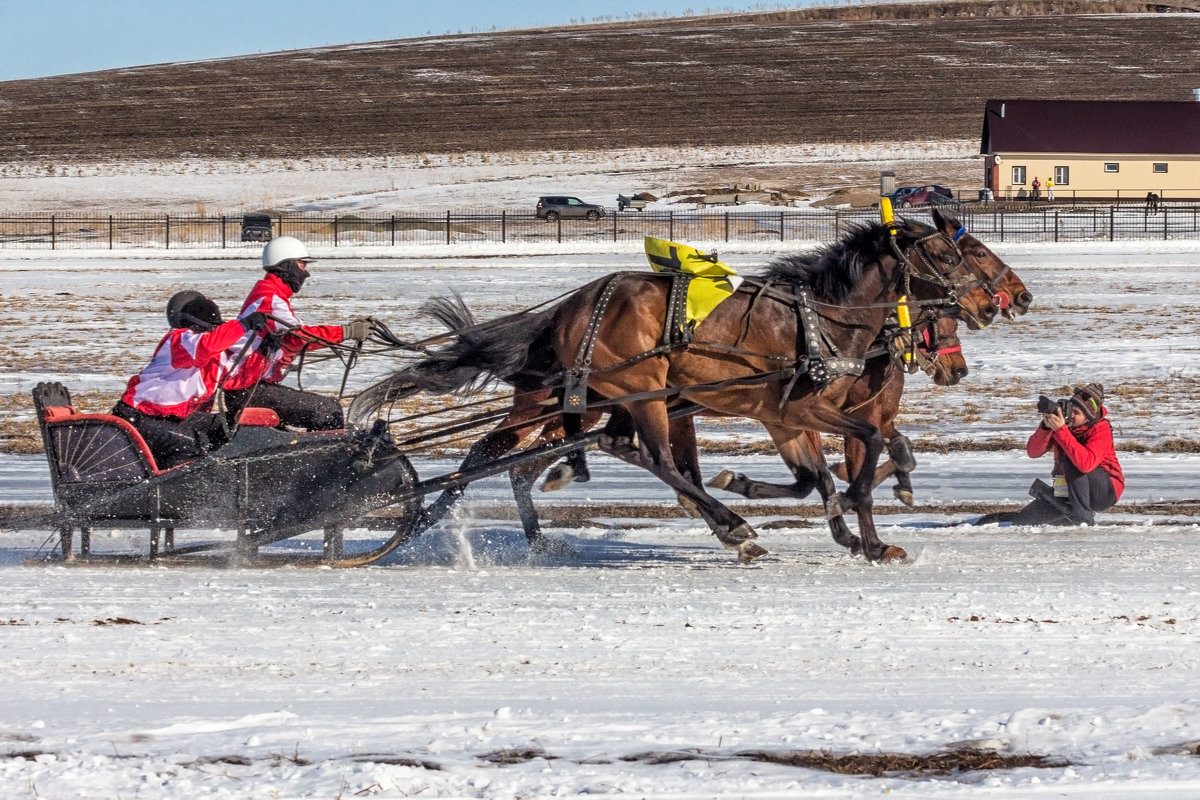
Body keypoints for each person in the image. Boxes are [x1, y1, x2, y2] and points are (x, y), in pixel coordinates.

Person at [222, 236, 372, 431]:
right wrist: (347, 332)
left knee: (323, 408)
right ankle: (328, 459)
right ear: (287, 266)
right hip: (248, 391)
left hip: (250, 387)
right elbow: (298, 337)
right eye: (302, 265)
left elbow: (288, 340)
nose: (306, 273)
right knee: (327, 410)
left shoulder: (269, 293)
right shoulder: (270, 299)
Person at [113, 291, 268, 469]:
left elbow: (239, 379)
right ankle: (177, 490)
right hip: (139, 418)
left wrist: (263, 351)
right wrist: (243, 324)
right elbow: (207, 346)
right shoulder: (178, 341)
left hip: (175, 418)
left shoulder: (214, 354)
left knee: (229, 428)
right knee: (194, 444)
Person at [1008, 383, 1124, 526]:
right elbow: (1033, 452)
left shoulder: (1101, 429)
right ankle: (1071, 514)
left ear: (1088, 417)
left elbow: (1085, 464)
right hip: (1068, 488)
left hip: (1104, 491)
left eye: (1077, 413)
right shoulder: (1063, 425)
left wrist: (1061, 431)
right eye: (1070, 409)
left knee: (1072, 461)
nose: (1071, 415)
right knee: (1024, 521)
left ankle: (1084, 520)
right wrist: (1045, 427)